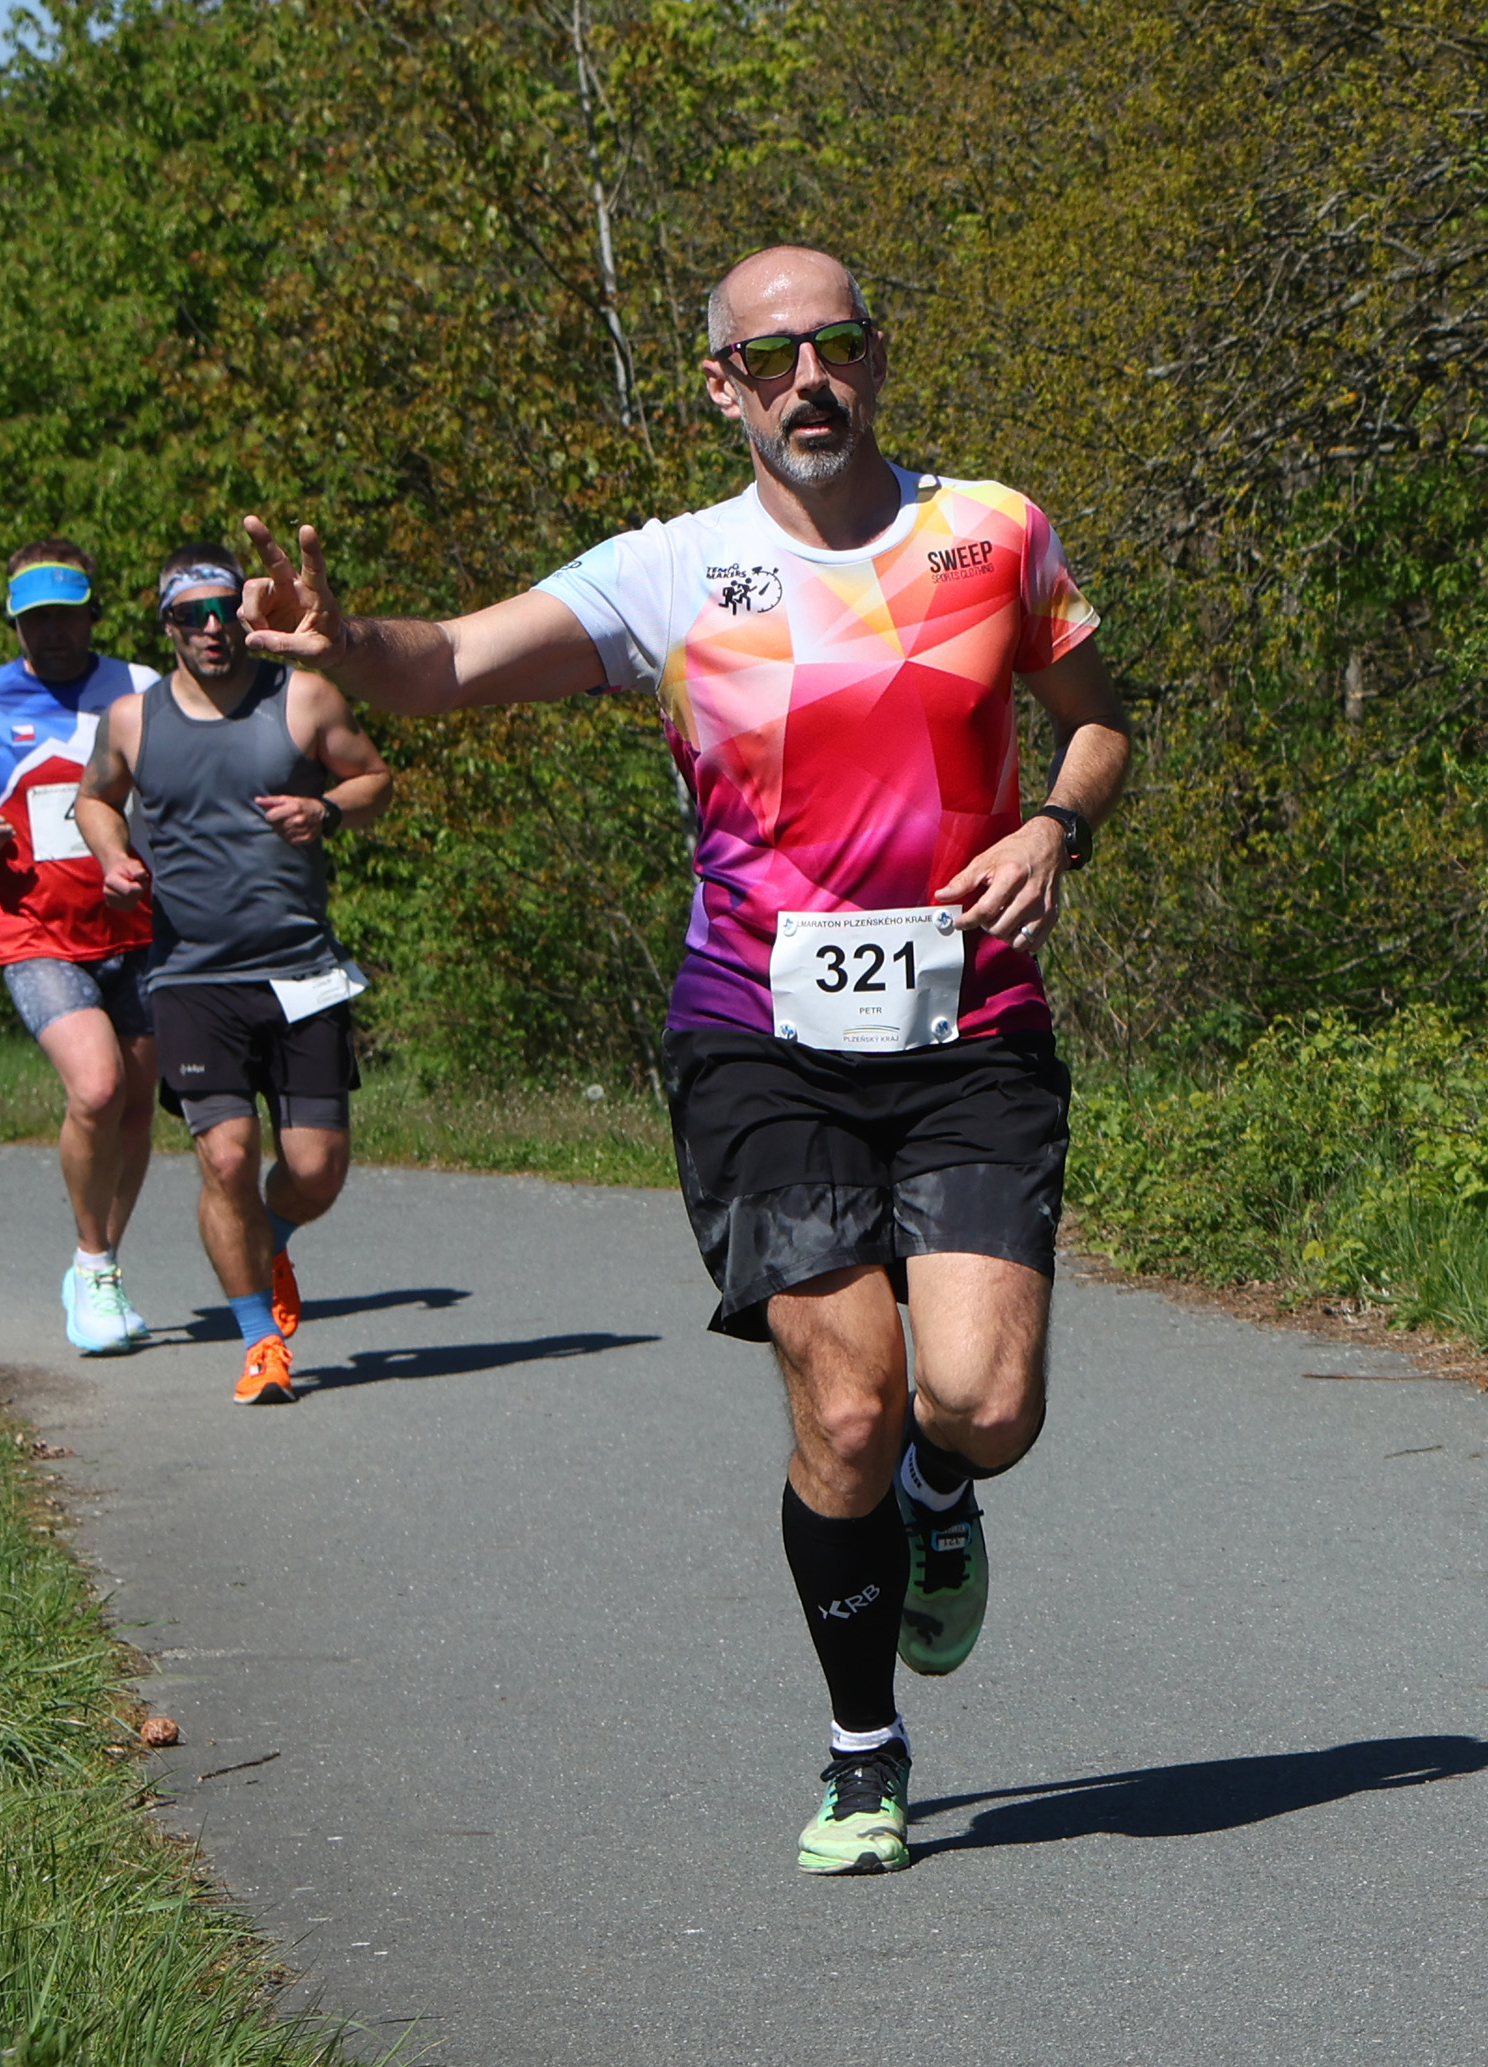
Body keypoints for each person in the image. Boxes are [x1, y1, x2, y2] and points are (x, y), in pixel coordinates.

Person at [231, 245, 1131, 1875]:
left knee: (982, 1403)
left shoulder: (993, 531)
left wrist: (1058, 823)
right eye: (771, 358)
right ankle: (863, 1748)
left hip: (973, 1027)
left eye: (836, 346)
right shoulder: (671, 572)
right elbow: (449, 666)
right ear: (722, 387)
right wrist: (343, 636)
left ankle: (944, 1492)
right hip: (756, 1035)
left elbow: (1100, 714)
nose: (809, 381)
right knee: (845, 1406)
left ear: (876, 360)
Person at [75, 544, 394, 1407]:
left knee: (316, 1168)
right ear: (167, 626)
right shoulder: (133, 719)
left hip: (301, 968)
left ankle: (270, 1235)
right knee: (226, 1156)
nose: (213, 629)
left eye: (225, 611)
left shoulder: (304, 698)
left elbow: (375, 780)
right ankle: (261, 1342)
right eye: (193, 615)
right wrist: (112, 857)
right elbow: (94, 797)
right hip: (190, 974)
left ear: (246, 617)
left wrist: (326, 808)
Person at [0, 542, 166, 1355]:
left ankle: (102, 1265)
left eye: (66, 616)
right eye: (36, 620)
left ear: (93, 614)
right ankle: (92, 1263)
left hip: (139, 926)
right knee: (96, 1088)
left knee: (135, 1107)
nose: (53, 633)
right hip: (37, 930)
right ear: (15, 623)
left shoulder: (141, 688)